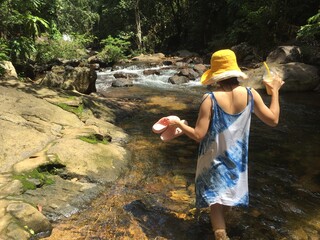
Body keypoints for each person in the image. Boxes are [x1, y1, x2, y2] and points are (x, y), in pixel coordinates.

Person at [168, 49, 284, 240]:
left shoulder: (210, 99)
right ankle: (223, 229)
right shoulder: (250, 93)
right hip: (237, 162)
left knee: (215, 204)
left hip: (213, 162)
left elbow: (198, 135)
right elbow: (273, 120)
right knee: (227, 198)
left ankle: (220, 235)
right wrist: (276, 92)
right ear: (235, 71)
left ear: (216, 76)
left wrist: (179, 123)